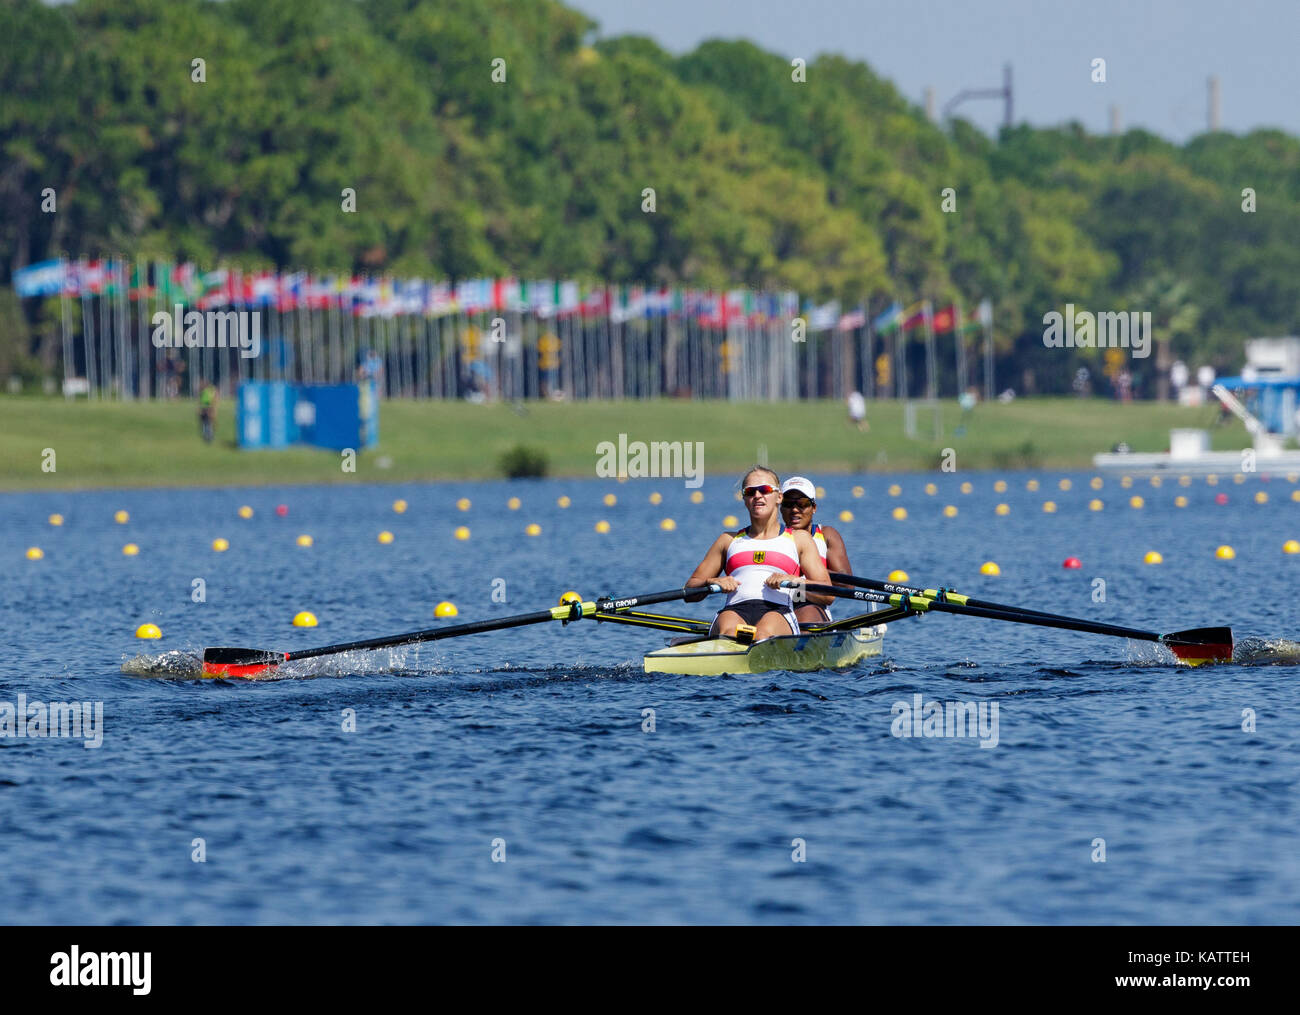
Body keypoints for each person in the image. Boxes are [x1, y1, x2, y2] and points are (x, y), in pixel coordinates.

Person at [685, 466, 832, 642]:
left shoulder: (800, 539)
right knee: (727, 629)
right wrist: (711, 581)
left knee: (765, 633)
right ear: (745, 499)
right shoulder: (727, 540)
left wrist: (796, 582)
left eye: (765, 490)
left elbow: (827, 594)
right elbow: (689, 591)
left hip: (778, 611)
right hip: (734, 610)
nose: (757, 495)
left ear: (779, 497)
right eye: (750, 491)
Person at [778, 476, 853, 626]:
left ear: (814, 508)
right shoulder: (770, 535)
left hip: (810, 603)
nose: (794, 510)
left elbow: (847, 585)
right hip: (775, 602)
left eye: (802, 504)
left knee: (806, 613)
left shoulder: (826, 535)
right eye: (788, 503)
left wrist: (811, 571)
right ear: (780, 507)